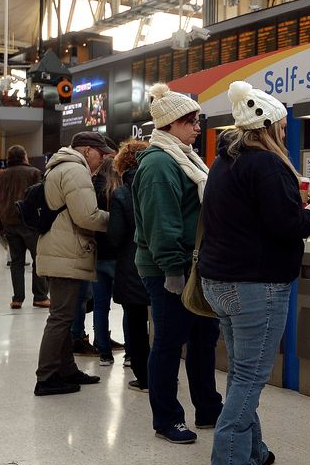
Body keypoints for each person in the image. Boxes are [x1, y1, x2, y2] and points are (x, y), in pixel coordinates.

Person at [200, 81, 310, 465]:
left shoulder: (224, 162)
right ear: (268, 127)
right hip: (256, 284)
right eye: (283, 127)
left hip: (220, 280)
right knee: (250, 376)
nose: (285, 134)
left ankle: (251, 449)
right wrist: (309, 217)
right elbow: (284, 225)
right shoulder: (267, 165)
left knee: (241, 371)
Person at [133, 83, 223, 444]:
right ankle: (167, 418)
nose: (198, 127)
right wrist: (173, 270)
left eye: (197, 120)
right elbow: (161, 223)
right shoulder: (159, 164)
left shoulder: (185, 157)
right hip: (168, 269)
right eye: (191, 121)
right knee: (169, 343)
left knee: (203, 339)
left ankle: (208, 408)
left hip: (194, 265)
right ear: (170, 124)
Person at [34, 132, 114, 396]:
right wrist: (116, 219)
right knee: (60, 318)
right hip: (65, 252)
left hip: (59, 249)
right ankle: (46, 377)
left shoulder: (59, 167)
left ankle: (67, 370)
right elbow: (86, 216)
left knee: (63, 316)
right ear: (87, 150)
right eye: (101, 153)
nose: (102, 159)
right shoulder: (75, 170)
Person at [108, 139, 151, 391]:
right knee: (162, 323)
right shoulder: (159, 185)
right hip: (161, 264)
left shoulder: (122, 194)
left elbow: (115, 236)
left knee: (135, 322)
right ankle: (164, 374)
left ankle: (143, 377)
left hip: (131, 265)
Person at [0, 146, 49, 308]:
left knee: (16, 262)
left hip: (9, 224)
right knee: (39, 259)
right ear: (24, 156)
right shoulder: (34, 173)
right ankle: (40, 296)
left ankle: (17, 299)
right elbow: (43, 199)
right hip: (31, 225)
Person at [91, 156, 123, 366]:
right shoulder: (121, 191)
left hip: (97, 254)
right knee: (129, 305)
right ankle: (131, 355)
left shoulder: (92, 190)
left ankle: (103, 351)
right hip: (119, 255)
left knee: (100, 305)